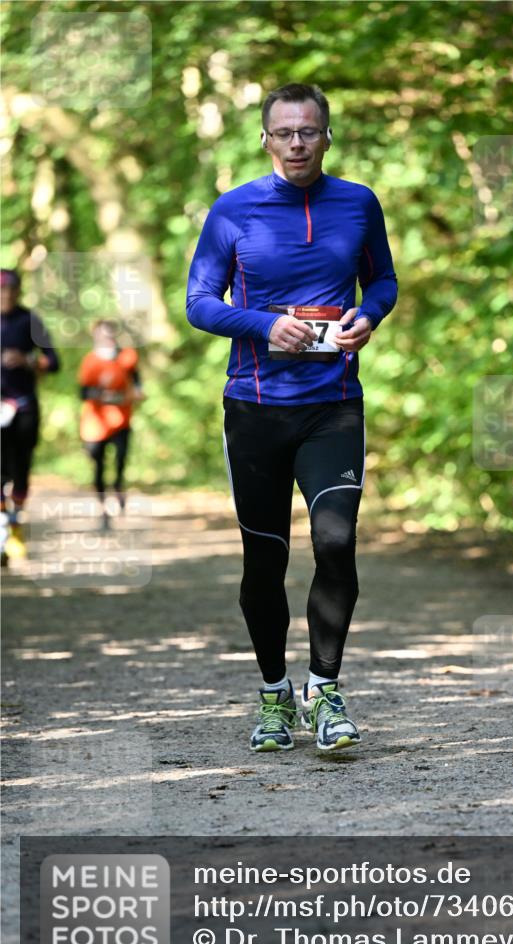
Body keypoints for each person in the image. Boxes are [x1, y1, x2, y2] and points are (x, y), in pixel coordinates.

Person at [187, 82, 397, 752]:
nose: (297, 143)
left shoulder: (357, 203)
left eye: (308, 131)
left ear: (326, 136)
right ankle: (275, 694)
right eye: (284, 132)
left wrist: (368, 316)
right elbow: (198, 301)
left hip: (332, 406)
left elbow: (383, 280)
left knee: (335, 543)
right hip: (254, 409)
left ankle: (325, 692)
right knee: (264, 559)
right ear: (266, 138)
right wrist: (262, 326)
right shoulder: (233, 210)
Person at [1, 267, 60, 566]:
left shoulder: (30, 320)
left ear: (19, 291)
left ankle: (16, 529)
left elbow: (53, 361)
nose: (6, 295)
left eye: (11, 290)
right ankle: (2, 535)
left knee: (21, 471)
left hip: (24, 407)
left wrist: (27, 360)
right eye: (1, 290)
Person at [78, 320, 144, 531]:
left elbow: (136, 381)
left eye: (110, 335)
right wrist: (104, 396)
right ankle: (103, 509)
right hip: (95, 424)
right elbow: (83, 392)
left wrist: (137, 391)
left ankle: (118, 486)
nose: (107, 339)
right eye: (102, 335)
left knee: (120, 460)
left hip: (121, 420)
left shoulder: (127, 356)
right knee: (98, 466)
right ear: (96, 336)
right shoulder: (90, 361)